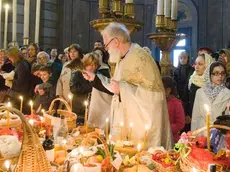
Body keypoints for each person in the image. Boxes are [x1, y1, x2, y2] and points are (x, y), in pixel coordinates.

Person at [98, 22, 172, 148]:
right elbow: (116, 87)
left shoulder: (141, 58)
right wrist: (96, 78)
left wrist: (122, 88)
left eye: (106, 45)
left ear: (115, 42)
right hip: (125, 120)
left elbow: (154, 97)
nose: (106, 49)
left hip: (142, 128)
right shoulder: (123, 58)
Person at [191, 62, 230, 131]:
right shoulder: (200, 92)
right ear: (209, 74)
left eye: (222, 73)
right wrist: (194, 134)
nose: (220, 76)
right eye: (216, 73)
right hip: (203, 130)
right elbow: (195, 116)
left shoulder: (228, 93)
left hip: (221, 131)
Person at [83, 52, 113, 130]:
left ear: (95, 65)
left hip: (103, 111)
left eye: (88, 65)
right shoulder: (88, 75)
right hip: (94, 109)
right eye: (85, 65)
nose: (86, 68)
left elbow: (109, 89)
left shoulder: (103, 74)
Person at [184, 53, 213, 131]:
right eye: (195, 64)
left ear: (208, 65)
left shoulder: (212, 82)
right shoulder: (192, 79)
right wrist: (187, 114)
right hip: (191, 116)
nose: (196, 67)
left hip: (208, 118)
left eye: (200, 64)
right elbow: (186, 98)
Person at [6, 47, 31, 114]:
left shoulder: (22, 65)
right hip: (17, 95)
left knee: (17, 116)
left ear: (14, 56)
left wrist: (9, 80)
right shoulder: (19, 64)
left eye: (10, 56)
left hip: (19, 96)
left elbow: (20, 82)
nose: (9, 58)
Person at [162, 76, 185, 142]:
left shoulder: (176, 103)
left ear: (168, 90)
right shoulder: (160, 101)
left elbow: (180, 123)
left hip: (172, 138)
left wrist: (166, 128)